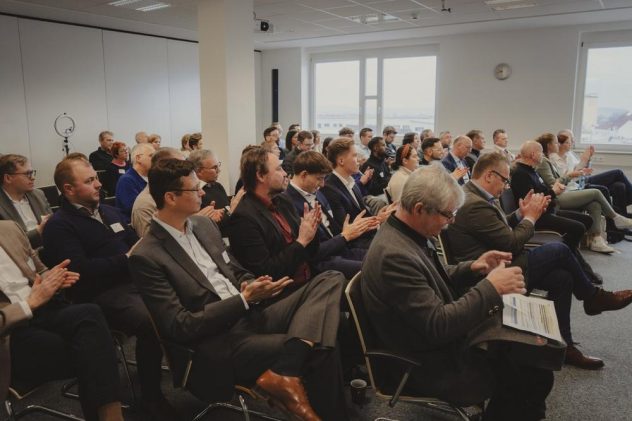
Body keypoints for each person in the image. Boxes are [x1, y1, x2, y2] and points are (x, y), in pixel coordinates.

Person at [129, 159, 349, 420]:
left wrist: (251, 283)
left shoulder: (203, 225)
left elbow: (234, 269)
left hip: (251, 313)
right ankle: (337, 413)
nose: (202, 193)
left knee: (331, 278)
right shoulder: (147, 255)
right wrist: (243, 300)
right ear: (170, 197)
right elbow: (180, 325)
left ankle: (286, 370)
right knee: (320, 342)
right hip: (217, 341)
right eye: (195, 189)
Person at [362, 164, 554, 420]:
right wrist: (491, 287)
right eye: (448, 215)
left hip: (436, 347)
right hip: (426, 364)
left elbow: (430, 278)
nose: (451, 222)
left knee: (532, 364)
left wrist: (474, 267)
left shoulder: (406, 233)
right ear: (419, 209)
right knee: (531, 374)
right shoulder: (394, 256)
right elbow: (438, 325)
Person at [447, 152, 632, 368]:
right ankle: (593, 297)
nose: (506, 186)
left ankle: (564, 345)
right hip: (491, 272)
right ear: (489, 175)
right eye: (505, 180)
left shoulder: (476, 195)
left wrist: (520, 214)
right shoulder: (474, 204)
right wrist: (530, 217)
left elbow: (499, 228)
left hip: (502, 260)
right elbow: (511, 243)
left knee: (562, 278)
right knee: (559, 249)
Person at [41, 155, 174, 420]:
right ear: (68, 189)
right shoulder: (60, 226)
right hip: (99, 294)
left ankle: (194, 371)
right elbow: (81, 271)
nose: (99, 184)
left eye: (96, 178)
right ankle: (151, 396)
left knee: (181, 297)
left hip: (134, 281)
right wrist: (126, 259)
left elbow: (136, 244)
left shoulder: (109, 211)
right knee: (152, 318)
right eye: (89, 181)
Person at [1, 220, 124, 421]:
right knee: (93, 351)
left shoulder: (9, 228)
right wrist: (28, 304)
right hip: (10, 331)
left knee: (90, 315)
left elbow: (39, 270)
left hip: (43, 308)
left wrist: (54, 278)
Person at [227, 147, 321, 284]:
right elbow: (266, 272)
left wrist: (312, 230)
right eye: (278, 169)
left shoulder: (283, 201)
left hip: (309, 278)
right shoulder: (243, 219)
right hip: (284, 290)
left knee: (335, 277)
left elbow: (310, 252)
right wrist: (301, 241)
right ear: (260, 176)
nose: (285, 173)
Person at [284, 151, 375, 278]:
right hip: (322, 262)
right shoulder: (287, 203)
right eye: (319, 178)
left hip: (341, 249)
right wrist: (345, 236)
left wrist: (352, 229)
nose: (322, 184)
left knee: (382, 255)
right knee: (374, 268)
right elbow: (311, 253)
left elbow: (335, 231)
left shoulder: (316, 192)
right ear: (304, 175)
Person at [535, 133, 632, 253]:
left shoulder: (548, 160)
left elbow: (559, 180)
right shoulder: (544, 161)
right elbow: (553, 184)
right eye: (555, 143)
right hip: (557, 197)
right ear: (549, 145)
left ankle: (596, 239)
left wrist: (573, 173)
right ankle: (615, 217)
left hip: (565, 190)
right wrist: (569, 175)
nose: (558, 145)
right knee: (596, 192)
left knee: (595, 204)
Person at [511, 141, 608, 258]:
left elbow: (542, 190)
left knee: (587, 220)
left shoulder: (531, 170)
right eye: (541, 152)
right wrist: (553, 191)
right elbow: (533, 201)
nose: (543, 155)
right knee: (579, 228)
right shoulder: (521, 173)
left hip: (548, 210)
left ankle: (567, 249)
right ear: (533, 154)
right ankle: (568, 254)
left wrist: (554, 189)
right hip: (538, 217)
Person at [321, 138, 396, 231]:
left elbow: (364, 214)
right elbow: (345, 229)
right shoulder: (329, 188)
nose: (359, 160)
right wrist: (378, 220)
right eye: (355, 156)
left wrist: (378, 218)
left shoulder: (351, 182)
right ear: (341, 161)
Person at [552, 129, 632, 215]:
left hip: (582, 179)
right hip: (576, 183)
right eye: (570, 140)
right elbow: (572, 174)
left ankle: (620, 219)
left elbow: (581, 168)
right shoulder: (554, 158)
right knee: (618, 173)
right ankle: (618, 212)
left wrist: (588, 159)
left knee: (619, 186)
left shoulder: (569, 154)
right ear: (561, 142)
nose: (572, 142)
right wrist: (583, 161)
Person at [0, 154, 52, 249]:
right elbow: (8, 244)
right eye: (27, 174)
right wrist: (38, 232)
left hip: (50, 248)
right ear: (8, 178)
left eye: (32, 173)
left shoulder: (38, 195)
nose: (32, 177)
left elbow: (53, 225)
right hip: (20, 255)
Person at [189, 149, 245, 235]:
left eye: (218, 165)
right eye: (214, 167)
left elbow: (226, 209)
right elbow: (208, 226)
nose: (219, 170)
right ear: (199, 171)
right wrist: (231, 210)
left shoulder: (218, 186)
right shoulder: (194, 194)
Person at [115, 143, 154, 220]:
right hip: (135, 223)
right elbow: (136, 209)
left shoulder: (152, 177)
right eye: (151, 156)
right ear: (138, 158)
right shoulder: (126, 180)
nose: (156, 159)